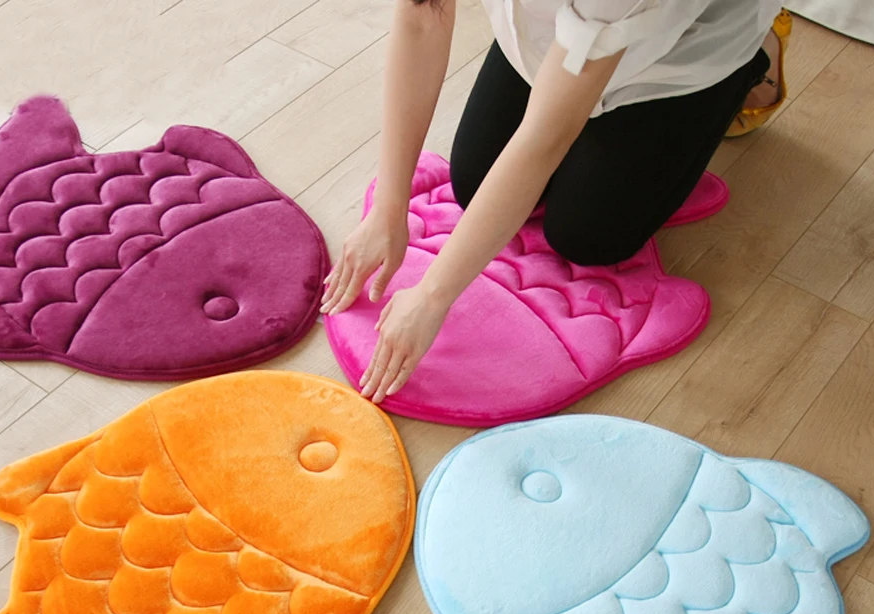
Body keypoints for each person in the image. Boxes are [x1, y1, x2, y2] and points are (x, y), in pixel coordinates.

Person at [321, 1, 790, 404]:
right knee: (474, 183)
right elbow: (424, 17)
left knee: (589, 234)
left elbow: (546, 136)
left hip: (681, 46)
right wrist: (389, 208)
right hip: (563, 33)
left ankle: (755, 59)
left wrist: (432, 295)